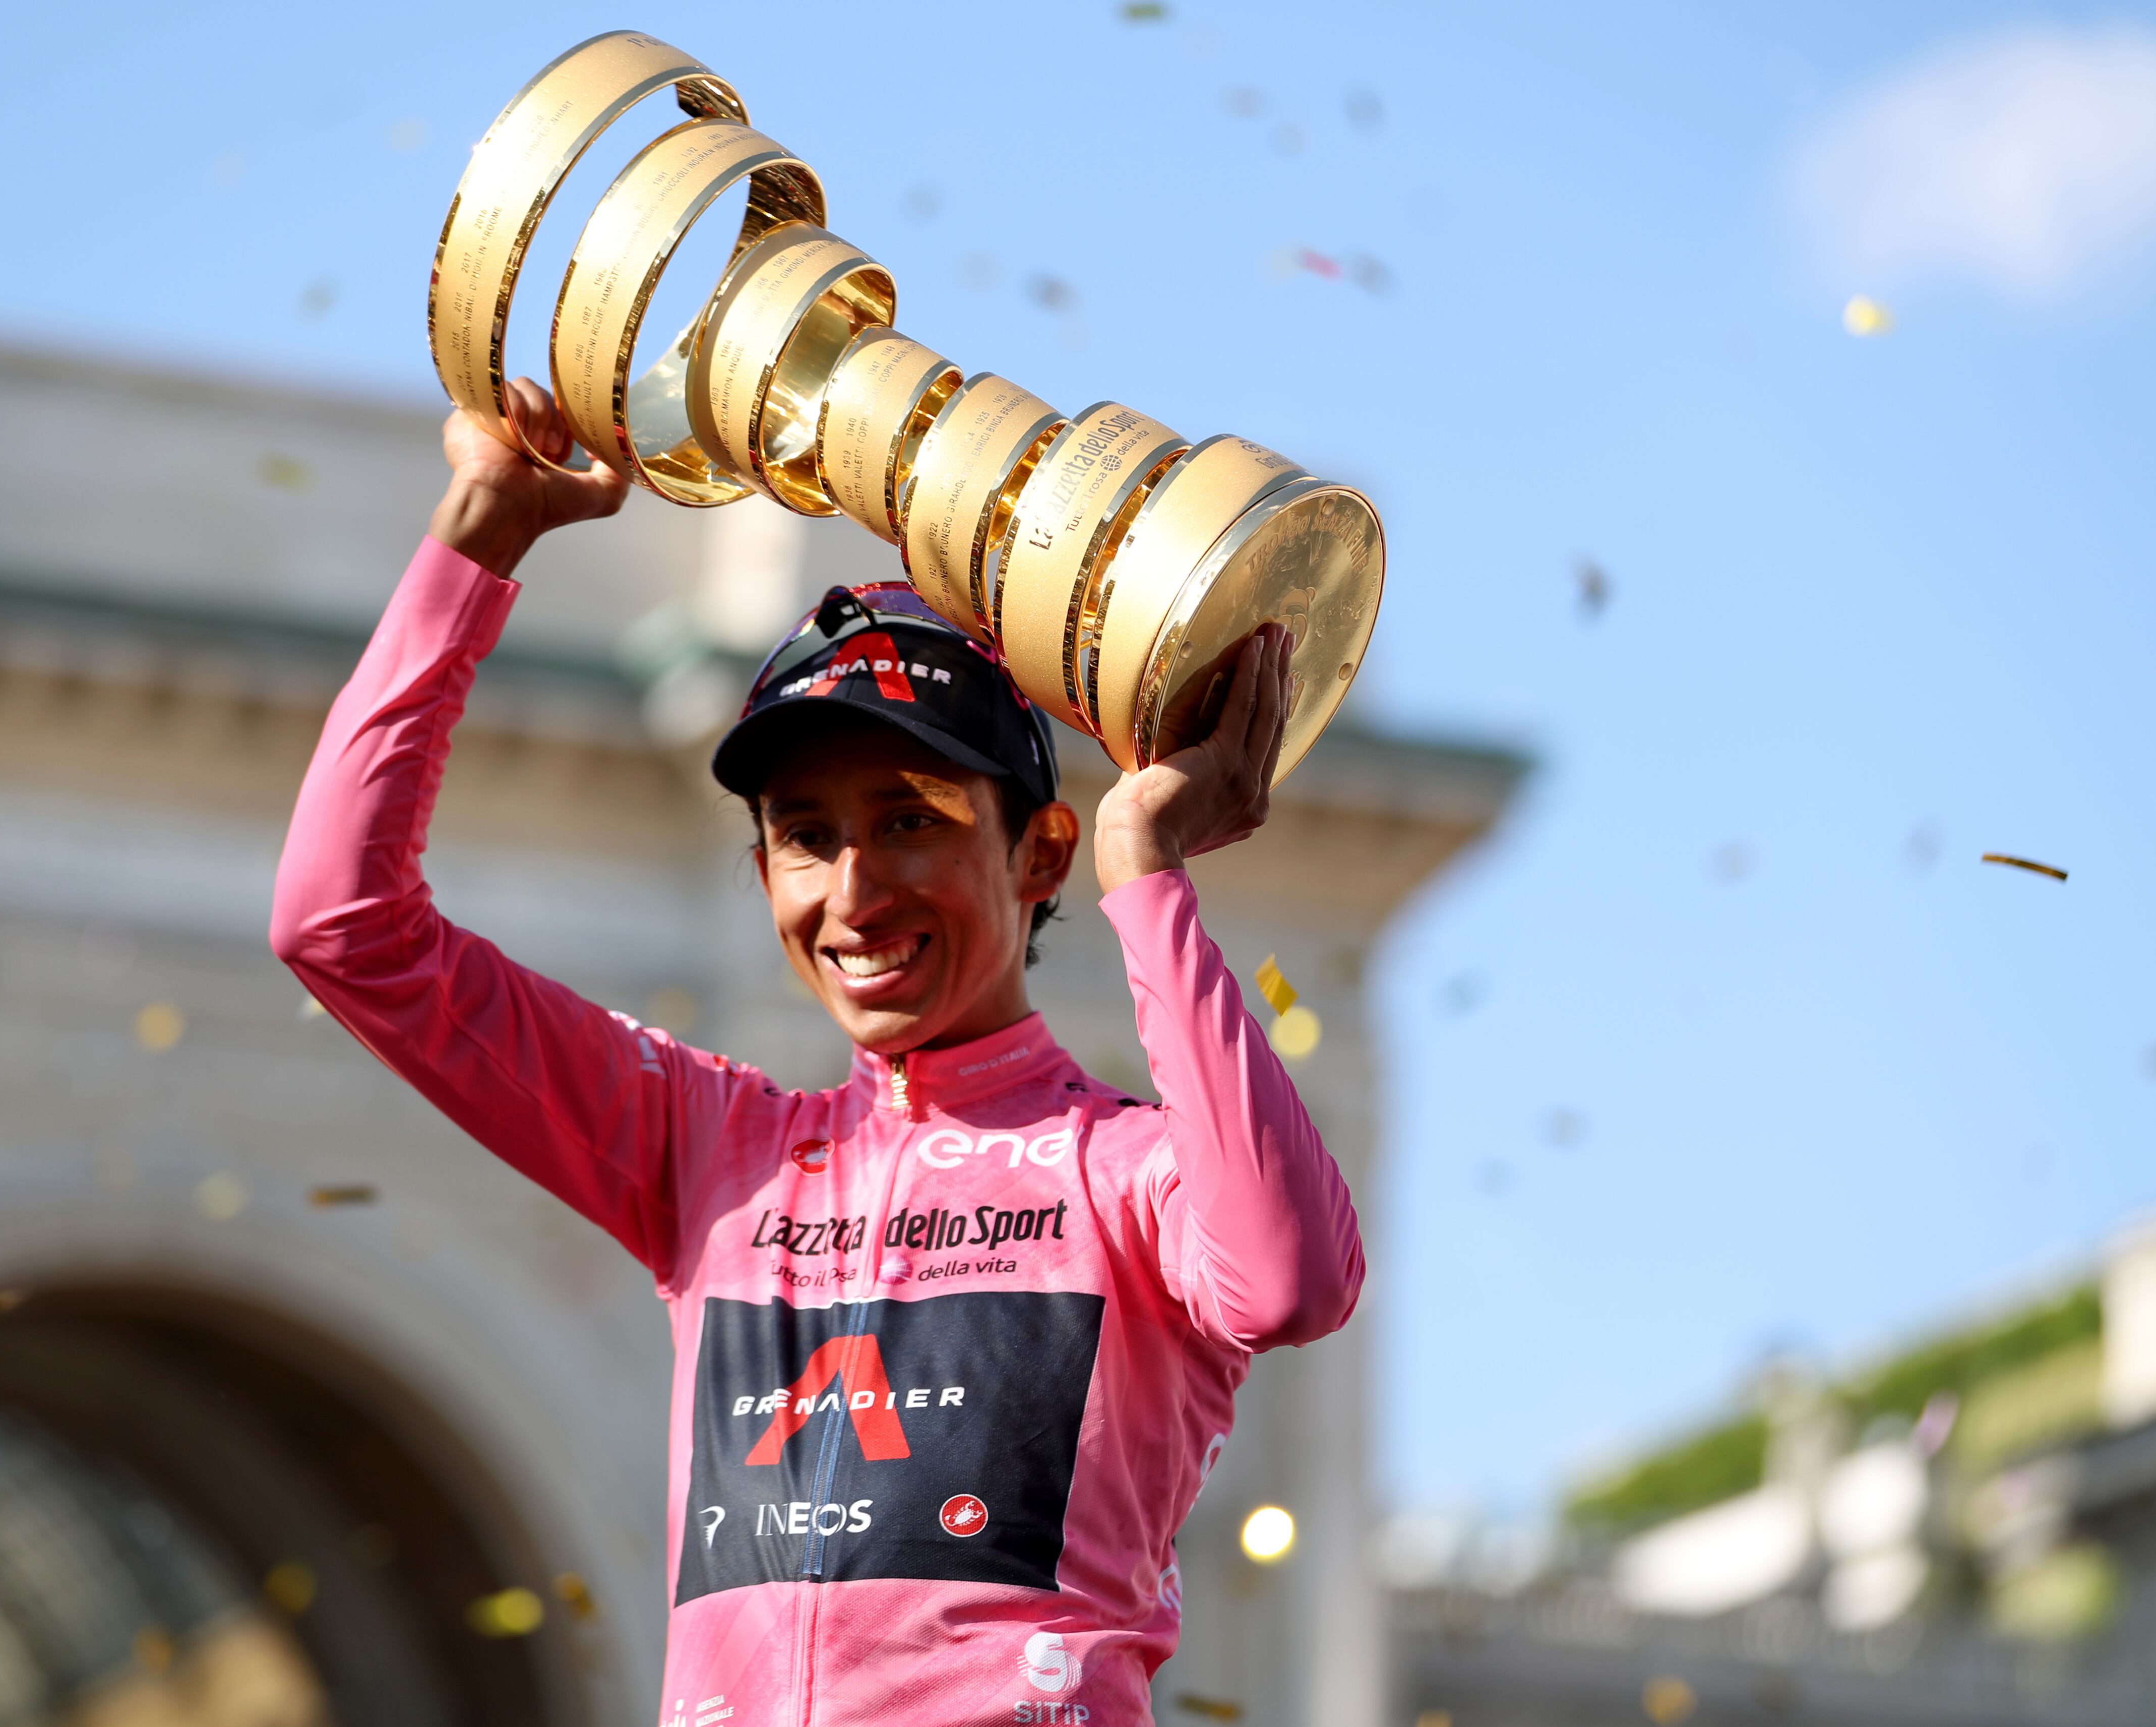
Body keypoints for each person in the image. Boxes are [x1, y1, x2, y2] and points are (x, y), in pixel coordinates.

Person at [271, 383, 1364, 1726]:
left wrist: (1153, 875)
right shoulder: (711, 1152)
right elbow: (342, 926)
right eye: (803, 832)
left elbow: (1293, 1278)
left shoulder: (1124, 1173)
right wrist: (482, 530)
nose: (851, 891)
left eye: (907, 820)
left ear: (1040, 851)